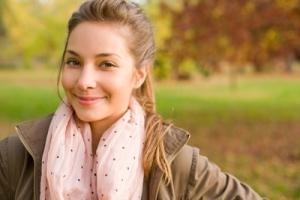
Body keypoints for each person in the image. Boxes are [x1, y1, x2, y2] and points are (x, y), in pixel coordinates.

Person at [0, 0, 265, 199]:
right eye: (74, 61)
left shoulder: (175, 164)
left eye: (106, 64)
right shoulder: (17, 157)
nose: (84, 81)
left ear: (139, 74)